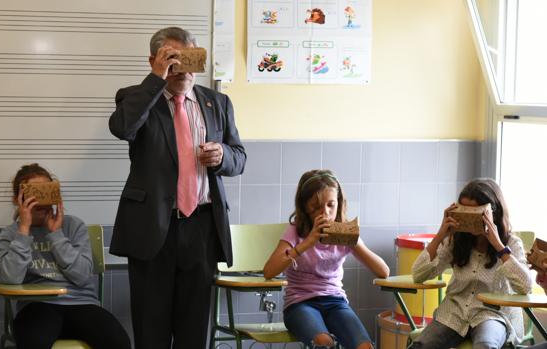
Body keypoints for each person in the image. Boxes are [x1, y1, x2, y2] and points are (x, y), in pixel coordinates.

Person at [108, 27, 246, 349]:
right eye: (173, 59)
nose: (182, 68)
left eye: (189, 58)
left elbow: (239, 158)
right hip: (153, 226)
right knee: (151, 327)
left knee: (194, 328)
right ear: (154, 61)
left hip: (202, 227)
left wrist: (223, 155)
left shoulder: (218, 103)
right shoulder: (135, 97)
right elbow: (122, 128)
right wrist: (156, 80)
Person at [0, 163, 131, 349]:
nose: (40, 201)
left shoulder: (73, 226)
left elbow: (82, 276)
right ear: (18, 199)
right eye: (33, 194)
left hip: (81, 304)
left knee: (118, 342)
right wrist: (24, 231)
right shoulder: (10, 234)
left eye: (46, 191)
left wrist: (56, 235)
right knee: (34, 342)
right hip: (37, 306)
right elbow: (10, 279)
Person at [263, 169, 390, 349]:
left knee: (365, 347)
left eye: (331, 205)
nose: (326, 212)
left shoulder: (344, 232)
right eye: (316, 207)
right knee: (324, 343)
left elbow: (383, 271)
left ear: (339, 203)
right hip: (300, 303)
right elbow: (269, 271)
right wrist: (307, 242)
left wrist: (354, 242)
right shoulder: (296, 231)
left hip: (335, 301)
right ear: (305, 207)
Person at [409, 178, 532, 349]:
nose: (469, 219)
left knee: (485, 345)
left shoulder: (511, 243)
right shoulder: (455, 240)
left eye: (476, 213)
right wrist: (440, 235)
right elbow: (418, 274)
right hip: (454, 312)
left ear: (492, 213)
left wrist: (498, 245)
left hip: (492, 314)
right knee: (422, 345)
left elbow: (525, 286)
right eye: (465, 212)